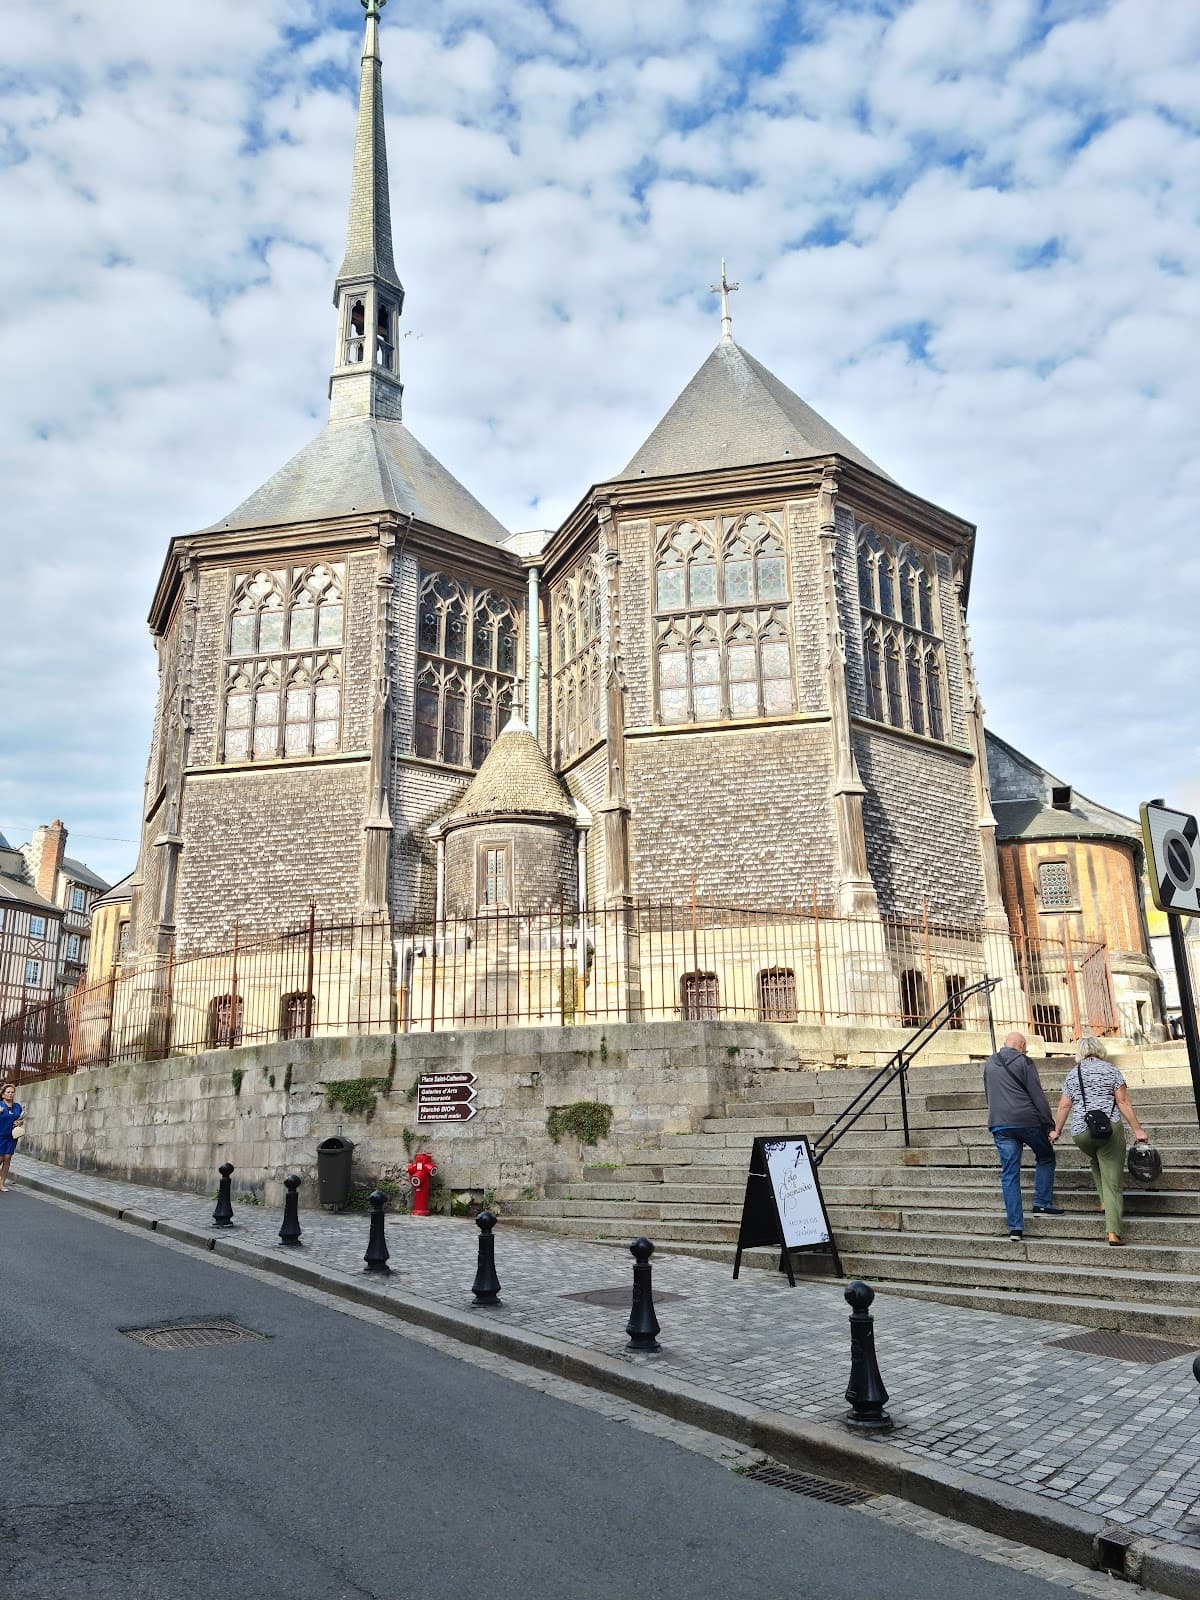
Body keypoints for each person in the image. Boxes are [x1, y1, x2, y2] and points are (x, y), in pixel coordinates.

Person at [1050, 1036, 1148, 1246]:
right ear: (1100, 1050)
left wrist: (1056, 1131)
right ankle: (1113, 1232)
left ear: (1080, 1052)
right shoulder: (1111, 1070)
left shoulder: (1072, 1074)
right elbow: (1122, 1101)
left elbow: (1064, 1106)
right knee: (1113, 1182)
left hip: (1082, 1133)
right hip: (1109, 1129)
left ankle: (1104, 1201)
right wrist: (1137, 1130)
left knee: (1096, 1159)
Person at [983, 1030, 1061, 1240]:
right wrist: (1049, 1125)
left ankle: (1015, 1228)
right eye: (1024, 1048)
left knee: (1009, 1174)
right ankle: (1042, 1204)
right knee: (1046, 1156)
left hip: (1000, 1124)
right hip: (1027, 1121)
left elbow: (988, 1095)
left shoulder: (989, 1063)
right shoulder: (1024, 1061)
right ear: (1020, 1045)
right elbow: (1037, 1095)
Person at [0, 1082, 23, 1192]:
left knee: (7, 1158)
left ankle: (1, 1183)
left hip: (12, 1137)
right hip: (0, 1135)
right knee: (0, 1158)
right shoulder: (0, 1105)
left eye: (12, 1092)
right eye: (8, 1092)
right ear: (3, 1094)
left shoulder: (17, 1106)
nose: (10, 1094)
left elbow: (20, 1119)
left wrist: (20, 1122)